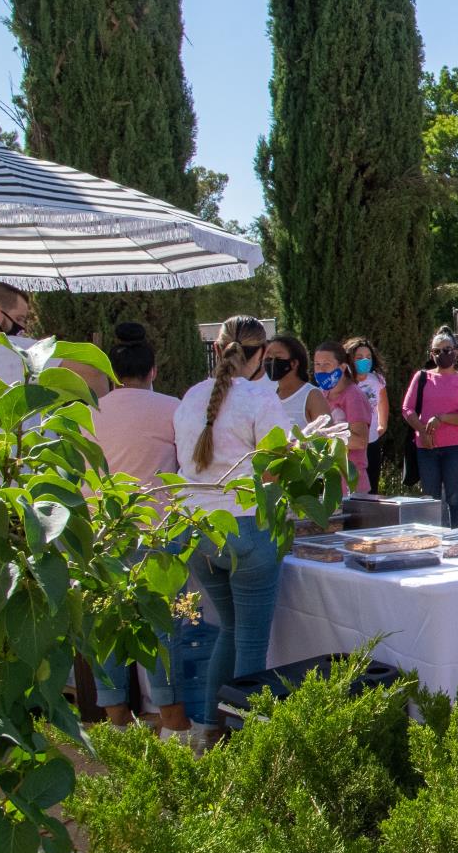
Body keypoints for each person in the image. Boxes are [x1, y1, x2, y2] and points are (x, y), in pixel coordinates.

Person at [173, 315, 288, 747]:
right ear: (261, 354)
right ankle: (243, 745)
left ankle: (208, 730)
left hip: (197, 527)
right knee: (251, 642)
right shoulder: (260, 399)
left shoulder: (191, 397)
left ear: (218, 349)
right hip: (245, 526)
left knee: (229, 630)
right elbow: (276, 467)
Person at [88, 323, 190, 739]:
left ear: (112, 373)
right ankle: (171, 719)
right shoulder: (172, 408)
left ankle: (116, 719)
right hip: (157, 528)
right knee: (163, 626)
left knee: (106, 624)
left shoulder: (88, 412)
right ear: (154, 370)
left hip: (100, 528)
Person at [401, 328, 458, 527]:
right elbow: (407, 409)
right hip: (427, 447)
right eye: (437, 351)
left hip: (455, 448)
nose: (443, 354)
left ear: (456, 352)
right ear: (431, 354)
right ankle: (433, 538)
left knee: (455, 496)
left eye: (447, 349)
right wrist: (422, 430)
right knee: (431, 498)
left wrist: (442, 418)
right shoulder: (422, 378)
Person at [311, 341, 372, 492]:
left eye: (326, 364)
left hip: (351, 484)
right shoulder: (323, 393)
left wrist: (324, 435)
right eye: (317, 364)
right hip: (328, 482)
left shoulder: (353, 396)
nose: (320, 369)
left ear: (343, 367)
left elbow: (360, 441)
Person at [344, 337, 388, 492]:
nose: (365, 361)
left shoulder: (376, 379)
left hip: (372, 441)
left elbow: (382, 402)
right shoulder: (343, 382)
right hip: (350, 444)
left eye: (368, 357)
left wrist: (382, 426)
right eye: (359, 358)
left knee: (371, 486)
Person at [265, 334, 328, 431]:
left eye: (278, 357)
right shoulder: (269, 395)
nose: (271, 362)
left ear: (294, 363)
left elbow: (327, 437)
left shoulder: (312, 396)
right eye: (268, 357)